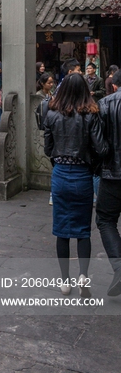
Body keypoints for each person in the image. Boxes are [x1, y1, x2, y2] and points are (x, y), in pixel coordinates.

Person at [44, 73, 108, 296]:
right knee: (83, 231)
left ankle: (64, 281)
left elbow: (47, 148)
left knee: (61, 231)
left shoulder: (51, 114)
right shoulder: (91, 116)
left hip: (60, 175)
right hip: (83, 175)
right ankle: (83, 275)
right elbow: (101, 149)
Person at [96, 69, 121, 296]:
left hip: (112, 173)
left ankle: (118, 266)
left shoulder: (104, 104)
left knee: (105, 219)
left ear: (114, 85)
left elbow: (99, 144)